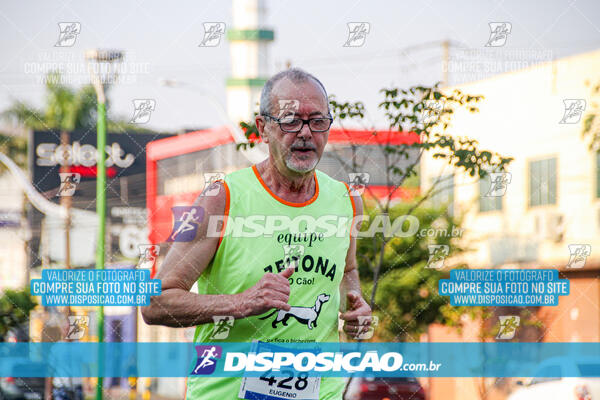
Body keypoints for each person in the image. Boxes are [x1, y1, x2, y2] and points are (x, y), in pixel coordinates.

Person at [142, 68, 372, 399]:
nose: (306, 133)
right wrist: (240, 302)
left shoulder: (347, 200)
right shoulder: (221, 199)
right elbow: (154, 303)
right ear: (263, 128)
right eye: (291, 121)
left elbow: (347, 271)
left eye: (317, 121)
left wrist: (355, 308)